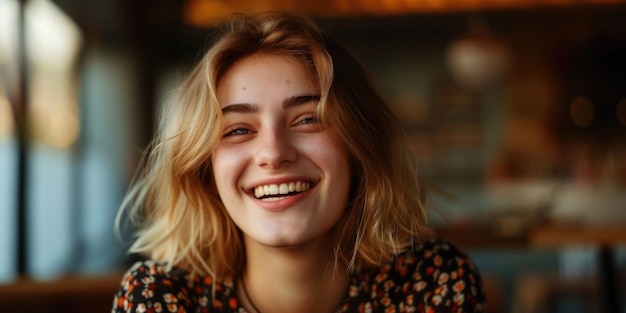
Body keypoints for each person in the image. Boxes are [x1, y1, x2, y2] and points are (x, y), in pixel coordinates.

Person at [112, 11, 486, 313]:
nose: (274, 153)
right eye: (239, 130)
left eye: (308, 120)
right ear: (206, 172)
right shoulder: (160, 298)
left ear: (359, 151)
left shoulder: (432, 281)